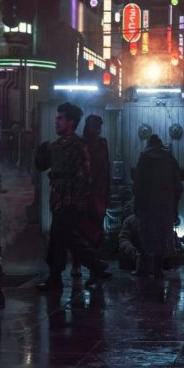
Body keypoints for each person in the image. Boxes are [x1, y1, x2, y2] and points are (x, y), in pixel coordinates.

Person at [35, 102, 111, 291]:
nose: (57, 122)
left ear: (71, 122)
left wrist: (81, 203)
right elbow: (42, 166)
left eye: (60, 119)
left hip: (71, 202)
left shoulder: (78, 146)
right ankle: (95, 266)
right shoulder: (57, 146)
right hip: (59, 200)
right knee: (65, 238)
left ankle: (63, 274)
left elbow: (86, 177)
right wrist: (40, 154)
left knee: (64, 238)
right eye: (57, 118)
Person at [133, 134, 182, 277]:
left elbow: (138, 184)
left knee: (146, 235)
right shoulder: (169, 159)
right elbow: (177, 183)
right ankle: (158, 268)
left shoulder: (144, 158)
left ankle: (144, 267)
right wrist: (175, 207)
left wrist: (137, 203)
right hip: (166, 203)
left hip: (147, 204)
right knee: (162, 236)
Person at [74, 115, 110, 278]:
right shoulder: (81, 145)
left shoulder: (102, 144)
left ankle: (95, 265)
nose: (97, 130)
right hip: (85, 192)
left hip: (98, 192)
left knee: (96, 229)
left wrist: (107, 190)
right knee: (81, 229)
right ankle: (79, 264)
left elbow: (106, 168)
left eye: (98, 127)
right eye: (95, 127)